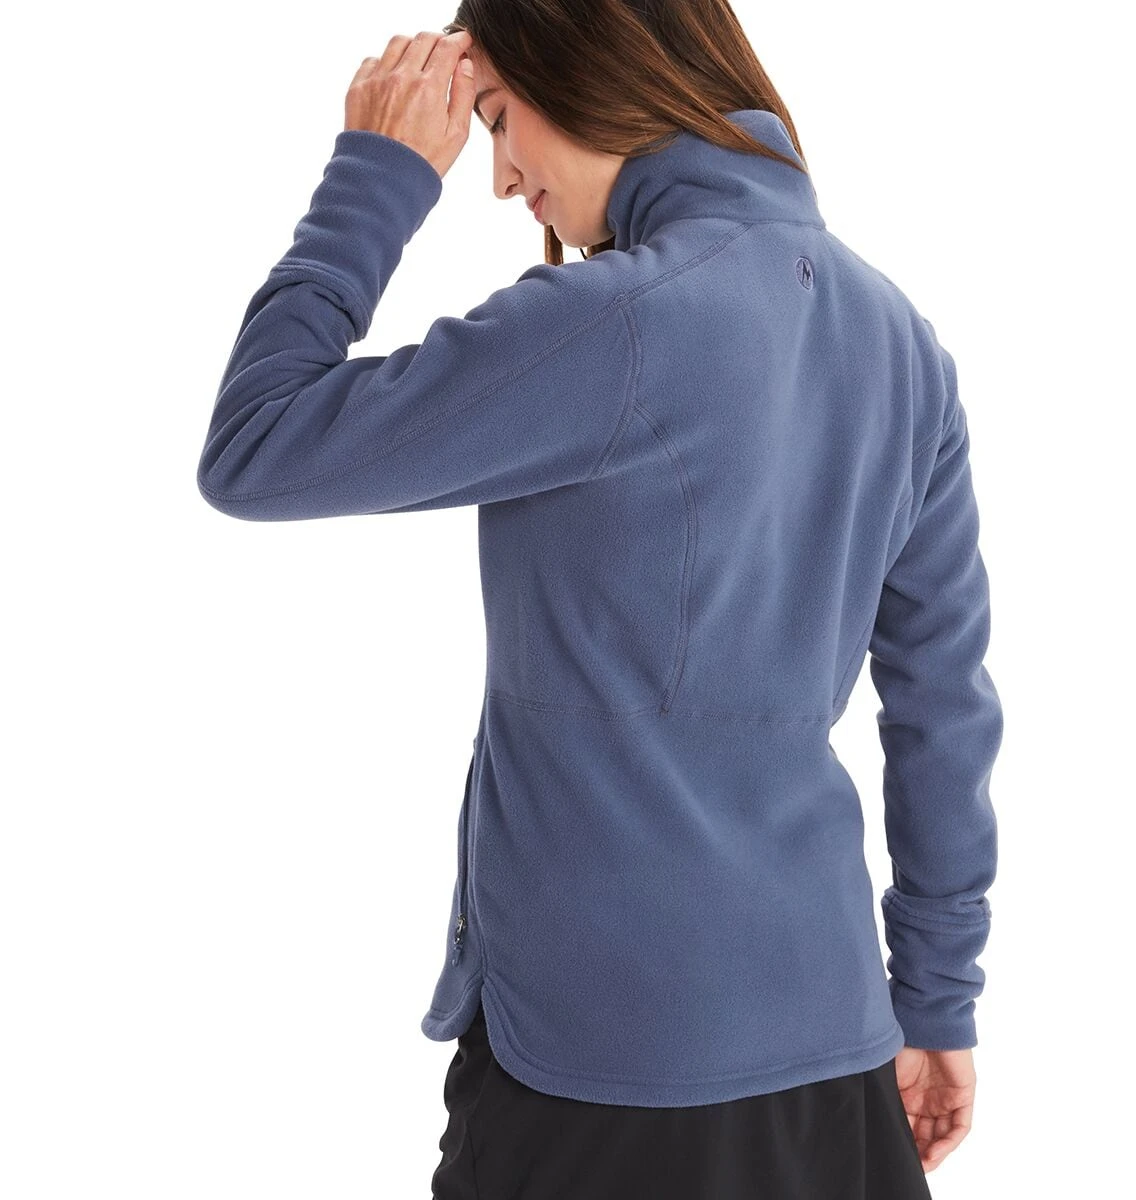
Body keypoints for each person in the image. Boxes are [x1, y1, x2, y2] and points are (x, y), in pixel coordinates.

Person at [195, 2, 1002, 1195]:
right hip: (834, 1054)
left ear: (585, 67)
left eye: (496, 120)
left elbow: (257, 447)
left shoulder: (613, 321)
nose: (498, 177)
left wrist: (375, 172)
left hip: (607, 1068)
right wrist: (935, 999)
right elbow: (944, 708)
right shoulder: (902, 343)